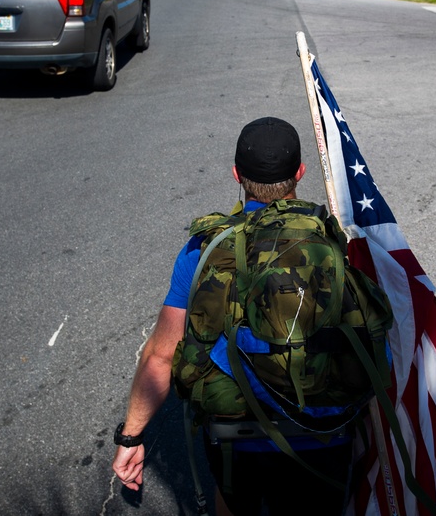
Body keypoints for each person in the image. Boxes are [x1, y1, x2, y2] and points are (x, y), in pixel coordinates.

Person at [111, 117, 355, 516]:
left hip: (236, 434)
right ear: (300, 173)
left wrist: (131, 437)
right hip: (325, 432)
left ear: (237, 175)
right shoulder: (330, 240)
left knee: (233, 503)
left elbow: (160, 356)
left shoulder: (206, 248)